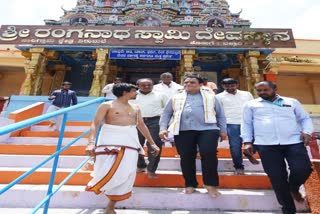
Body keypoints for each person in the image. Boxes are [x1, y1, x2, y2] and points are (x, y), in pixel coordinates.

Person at [85, 83, 160, 214]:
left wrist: (152, 143)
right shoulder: (106, 105)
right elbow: (95, 124)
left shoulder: (136, 107)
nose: (137, 93)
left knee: (127, 172)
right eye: (134, 91)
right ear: (125, 92)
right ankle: (105, 195)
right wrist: (91, 143)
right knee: (107, 170)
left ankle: (110, 206)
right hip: (109, 141)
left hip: (130, 141)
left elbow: (141, 126)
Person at [241, 81, 313, 214]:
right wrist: (247, 141)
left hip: (293, 141)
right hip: (266, 144)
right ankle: (288, 210)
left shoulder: (291, 102)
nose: (262, 93)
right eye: (259, 91)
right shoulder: (251, 105)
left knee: (303, 169)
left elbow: (304, 118)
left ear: (274, 89)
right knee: (277, 178)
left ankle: (293, 187)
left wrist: (307, 132)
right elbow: (246, 124)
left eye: (265, 90)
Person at [159, 74, 227, 198]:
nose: (188, 85)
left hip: (208, 129)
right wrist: (163, 128)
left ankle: (210, 185)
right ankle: (190, 184)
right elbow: (166, 114)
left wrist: (223, 130)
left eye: (192, 82)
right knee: (186, 157)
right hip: (183, 130)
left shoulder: (211, 97)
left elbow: (221, 115)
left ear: (200, 84)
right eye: (186, 83)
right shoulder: (175, 97)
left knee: (209, 154)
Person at [215, 78, 254, 175]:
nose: (230, 88)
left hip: (248, 122)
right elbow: (218, 113)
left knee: (256, 143)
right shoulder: (218, 97)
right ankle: (239, 166)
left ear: (237, 85)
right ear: (223, 86)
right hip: (231, 123)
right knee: (235, 146)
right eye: (227, 86)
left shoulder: (246, 94)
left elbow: (253, 107)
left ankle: (248, 152)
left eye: (232, 85)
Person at [130, 78, 168, 178]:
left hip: (155, 121)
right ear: (137, 85)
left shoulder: (161, 95)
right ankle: (141, 165)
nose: (146, 87)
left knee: (154, 145)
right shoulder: (131, 95)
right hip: (136, 121)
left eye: (149, 85)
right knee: (136, 144)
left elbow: (167, 109)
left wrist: (166, 124)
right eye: (143, 85)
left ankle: (151, 169)